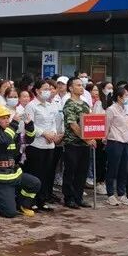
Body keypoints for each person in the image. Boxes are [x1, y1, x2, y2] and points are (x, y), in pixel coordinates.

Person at [0, 104, 40, 218]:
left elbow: (28, 139)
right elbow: (3, 141)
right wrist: (14, 124)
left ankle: (22, 205)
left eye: (8, 118)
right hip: (0, 178)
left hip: (14, 173)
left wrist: (29, 125)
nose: (7, 120)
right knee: (9, 213)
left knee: (34, 183)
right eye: (3, 118)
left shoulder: (11, 132)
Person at [24, 79, 59, 211]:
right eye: (45, 89)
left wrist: (53, 134)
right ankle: (31, 200)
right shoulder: (31, 106)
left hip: (49, 145)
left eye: (49, 89)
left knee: (46, 174)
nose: (48, 91)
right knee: (35, 173)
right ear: (37, 91)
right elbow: (30, 125)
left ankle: (42, 200)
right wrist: (45, 134)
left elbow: (53, 122)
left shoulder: (50, 106)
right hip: (36, 145)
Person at [62, 78, 95, 208]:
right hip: (72, 144)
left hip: (84, 145)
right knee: (71, 172)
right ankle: (69, 198)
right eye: (78, 85)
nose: (81, 88)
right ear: (70, 88)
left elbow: (89, 123)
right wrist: (87, 139)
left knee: (82, 172)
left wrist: (92, 138)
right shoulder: (69, 104)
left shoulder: (85, 104)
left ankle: (78, 197)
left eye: (82, 85)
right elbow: (73, 126)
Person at [104, 87, 128, 206]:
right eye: (125, 95)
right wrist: (104, 138)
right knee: (112, 169)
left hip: (126, 141)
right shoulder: (111, 109)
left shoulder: (126, 109)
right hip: (114, 141)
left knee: (124, 169)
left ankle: (121, 194)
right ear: (119, 97)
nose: (127, 98)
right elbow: (107, 126)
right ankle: (110, 194)